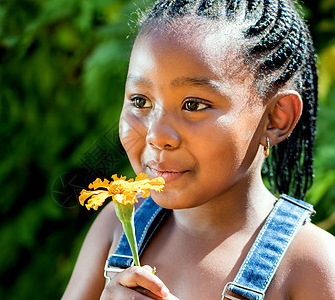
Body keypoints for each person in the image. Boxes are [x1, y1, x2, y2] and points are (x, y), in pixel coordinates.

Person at [63, 0, 335, 299]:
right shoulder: (118, 225)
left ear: (275, 117)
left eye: (193, 105)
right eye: (140, 101)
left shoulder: (312, 264)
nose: (156, 135)